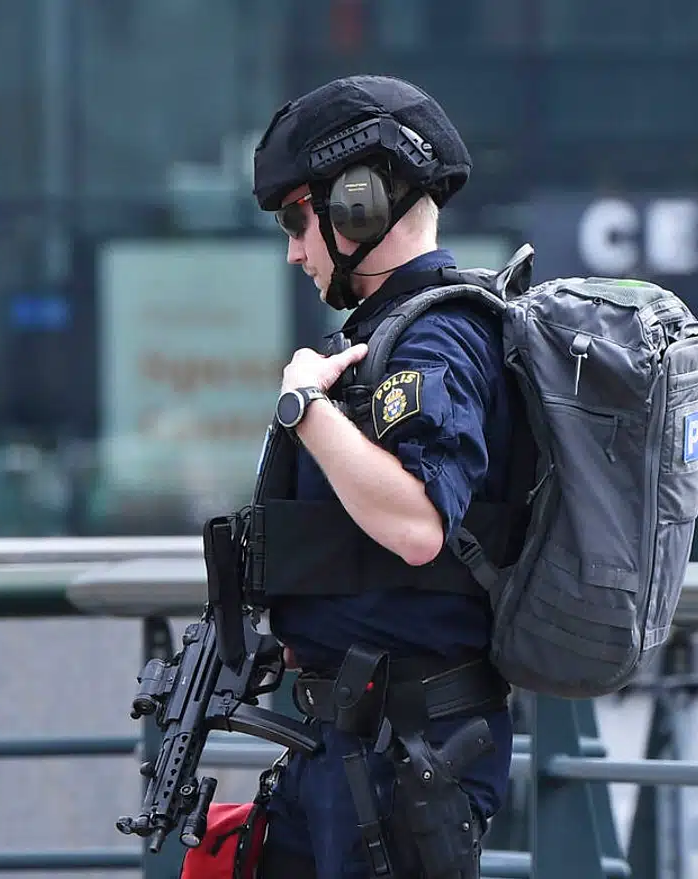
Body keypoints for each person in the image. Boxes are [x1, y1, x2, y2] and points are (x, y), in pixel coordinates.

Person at [246, 74, 524, 878]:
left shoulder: (440, 340)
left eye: (299, 218)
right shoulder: (377, 340)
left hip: (405, 757)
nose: (295, 248)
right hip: (345, 746)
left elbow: (415, 524)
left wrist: (307, 408)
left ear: (359, 202)